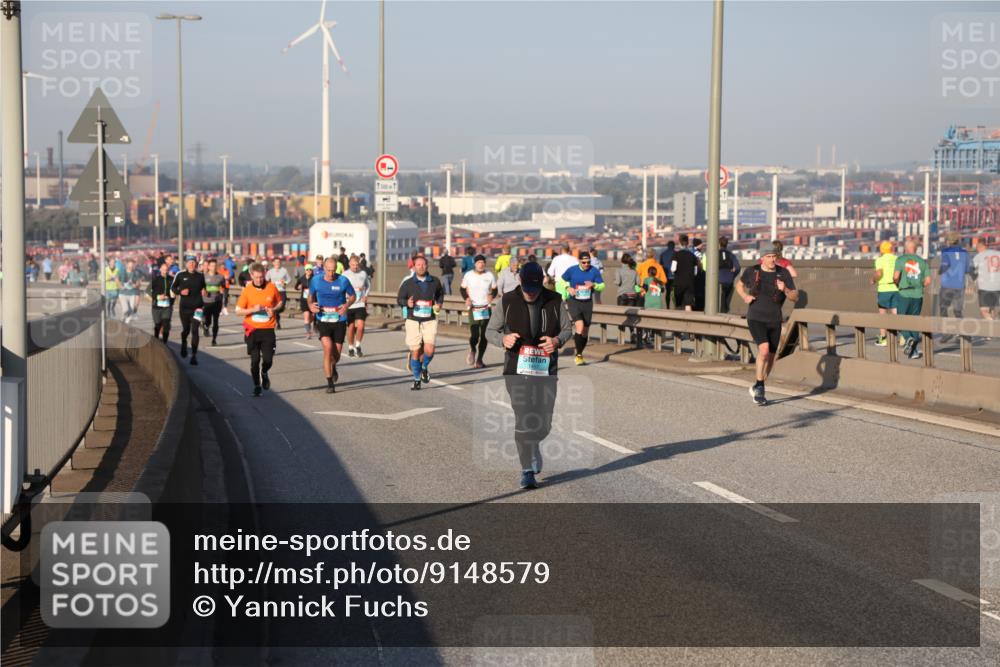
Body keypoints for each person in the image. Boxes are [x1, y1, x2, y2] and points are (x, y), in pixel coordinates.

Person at [485, 261, 573, 490]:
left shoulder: (554, 300)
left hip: (546, 371)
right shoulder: (507, 301)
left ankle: (533, 446)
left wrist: (556, 341)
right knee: (524, 420)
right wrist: (502, 340)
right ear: (520, 283)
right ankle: (527, 470)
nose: (531, 295)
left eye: (534, 290)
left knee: (543, 424)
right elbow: (490, 331)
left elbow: (566, 329)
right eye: (527, 290)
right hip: (516, 370)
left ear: (541, 283)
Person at [735, 244, 799, 405]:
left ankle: (758, 384)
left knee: (771, 358)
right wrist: (745, 297)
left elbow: (794, 297)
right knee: (763, 350)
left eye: (774, 256)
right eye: (768, 256)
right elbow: (739, 285)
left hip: (775, 319)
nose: (772, 259)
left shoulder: (782, 273)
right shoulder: (753, 271)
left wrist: (785, 289)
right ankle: (761, 389)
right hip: (756, 317)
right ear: (762, 258)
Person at [309, 257, 357, 393]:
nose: (331, 273)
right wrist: (310, 305)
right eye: (328, 270)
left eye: (333, 270)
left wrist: (347, 305)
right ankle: (330, 383)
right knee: (328, 348)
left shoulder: (343, 281)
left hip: (339, 320)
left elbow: (353, 296)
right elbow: (310, 296)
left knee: (336, 356)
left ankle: (333, 366)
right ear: (324, 268)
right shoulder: (316, 280)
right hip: (323, 319)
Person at [396, 255, 444, 390]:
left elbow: (440, 295)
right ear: (414, 266)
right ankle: (417, 380)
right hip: (413, 320)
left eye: (423, 264)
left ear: (427, 266)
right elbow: (399, 299)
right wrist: (407, 303)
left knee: (429, 350)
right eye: (418, 265)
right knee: (416, 352)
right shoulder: (408, 283)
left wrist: (439, 304)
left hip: (429, 319)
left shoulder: (435, 281)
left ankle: (423, 368)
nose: (421, 267)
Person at [236, 263, 283, 396]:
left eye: (261, 277)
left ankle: (264, 372)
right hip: (252, 330)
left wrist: (273, 309)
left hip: (268, 329)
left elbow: (280, 302)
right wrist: (253, 309)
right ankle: (257, 385)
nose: (259, 280)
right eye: (256, 277)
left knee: (268, 360)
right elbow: (238, 311)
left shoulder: (271, 287)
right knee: (254, 361)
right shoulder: (247, 289)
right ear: (251, 275)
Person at [561, 251, 605, 365]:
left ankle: (579, 353)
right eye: (584, 262)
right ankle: (578, 355)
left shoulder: (594, 271)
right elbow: (561, 280)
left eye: (588, 262)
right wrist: (567, 288)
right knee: (579, 325)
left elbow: (602, 285)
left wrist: (594, 285)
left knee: (585, 331)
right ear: (579, 261)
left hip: (587, 302)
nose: (586, 264)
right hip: (574, 301)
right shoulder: (572, 270)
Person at [893, 239, 931, 360]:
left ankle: (907, 337)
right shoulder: (923, 262)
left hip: (904, 293)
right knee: (914, 322)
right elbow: (928, 281)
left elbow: (895, 277)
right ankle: (914, 352)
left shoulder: (900, 260)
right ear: (916, 249)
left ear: (906, 248)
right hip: (918, 295)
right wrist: (920, 286)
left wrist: (897, 284)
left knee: (900, 320)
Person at [461, 254, 498, 368]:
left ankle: (479, 360)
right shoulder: (468, 275)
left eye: (482, 262)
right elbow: (462, 289)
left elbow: (494, 289)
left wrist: (492, 296)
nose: (481, 264)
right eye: (478, 263)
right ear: (475, 264)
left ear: (485, 264)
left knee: (485, 335)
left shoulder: (490, 275)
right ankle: (472, 349)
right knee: (475, 334)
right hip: (474, 308)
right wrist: (466, 298)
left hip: (486, 308)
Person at [171, 256, 207, 365]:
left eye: (193, 263)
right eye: (189, 263)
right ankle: (183, 343)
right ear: (186, 264)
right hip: (185, 308)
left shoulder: (200, 276)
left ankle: (194, 355)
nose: (191, 265)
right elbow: (173, 288)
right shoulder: (181, 275)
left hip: (197, 308)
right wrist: (180, 292)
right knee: (186, 330)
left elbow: (203, 287)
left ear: (196, 264)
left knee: (195, 331)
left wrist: (204, 290)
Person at [938, 233, 972, 341]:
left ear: (949, 241)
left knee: (943, 308)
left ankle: (947, 332)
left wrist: (940, 271)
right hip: (959, 285)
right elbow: (968, 269)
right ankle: (963, 332)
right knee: (958, 311)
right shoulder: (965, 253)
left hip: (947, 284)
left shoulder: (945, 251)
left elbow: (945, 264)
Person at [871, 240, 900, 346]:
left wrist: (873, 280)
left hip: (883, 289)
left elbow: (879, 273)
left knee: (882, 314)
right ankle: (901, 337)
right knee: (896, 313)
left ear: (881, 250)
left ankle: (883, 338)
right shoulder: (897, 259)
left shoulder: (880, 260)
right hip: (896, 288)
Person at [343, 255, 371, 357]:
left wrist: (366, 295)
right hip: (349, 305)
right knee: (350, 327)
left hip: (360, 304)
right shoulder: (345, 274)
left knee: (361, 325)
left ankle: (358, 345)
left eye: (356, 265)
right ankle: (350, 346)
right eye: (353, 265)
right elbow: (341, 287)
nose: (355, 267)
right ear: (349, 264)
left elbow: (368, 285)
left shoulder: (363, 273)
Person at [973, 240, 1000, 328]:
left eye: (977, 248)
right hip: (998, 285)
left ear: (980, 247)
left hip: (985, 286)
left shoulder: (979, 256)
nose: (977, 250)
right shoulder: (998, 253)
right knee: (992, 308)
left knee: (984, 310)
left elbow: (972, 269)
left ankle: (994, 326)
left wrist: (973, 280)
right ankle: (990, 332)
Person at [670, 234, 699, 311]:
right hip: (690, 282)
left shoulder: (676, 255)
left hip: (678, 283)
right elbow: (695, 272)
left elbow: (673, 269)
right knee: (688, 304)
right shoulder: (692, 256)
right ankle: (689, 321)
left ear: (679, 243)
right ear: (688, 243)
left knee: (679, 304)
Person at [201, 259, 226, 345]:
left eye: (215, 266)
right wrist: (203, 290)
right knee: (208, 321)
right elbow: (200, 287)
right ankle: (206, 326)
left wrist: (222, 290)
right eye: (212, 266)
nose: (213, 267)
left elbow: (223, 287)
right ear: (208, 267)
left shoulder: (220, 277)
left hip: (217, 301)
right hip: (206, 302)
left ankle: (214, 339)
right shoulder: (203, 276)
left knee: (216, 321)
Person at [149, 262, 174, 344]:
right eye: (163, 270)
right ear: (160, 270)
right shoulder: (155, 279)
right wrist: (158, 297)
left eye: (166, 270)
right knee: (157, 325)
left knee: (166, 324)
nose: (165, 271)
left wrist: (173, 295)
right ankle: (156, 340)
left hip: (167, 306)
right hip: (156, 307)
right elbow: (147, 291)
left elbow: (176, 290)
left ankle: (165, 342)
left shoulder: (171, 279)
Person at [717, 236, 741, 314]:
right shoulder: (731, 255)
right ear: (727, 244)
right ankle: (724, 312)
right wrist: (732, 275)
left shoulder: (715, 254)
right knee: (726, 300)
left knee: (720, 301)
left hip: (718, 280)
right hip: (729, 280)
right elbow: (737, 268)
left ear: (719, 244)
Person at [265, 257, 291, 329]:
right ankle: (277, 322)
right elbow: (266, 280)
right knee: (275, 306)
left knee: (281, 307)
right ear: (273, 263)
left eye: (279, 262)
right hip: (273, 291)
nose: (277, 263)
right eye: (276, 262)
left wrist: (285, 283)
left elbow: (289, 279)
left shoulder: (284, 270)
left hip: (282, 290)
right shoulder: (270, 271)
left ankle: (276, 317)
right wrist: (268, 285)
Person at [118, 259, 143, 323]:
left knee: (131, 309)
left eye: (132, 265)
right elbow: (117, 279)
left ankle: (127, 323)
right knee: (125, 310)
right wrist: (120, 285)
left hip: (132, 293)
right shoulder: (122, 271)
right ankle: (124, 316)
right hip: (123, 293)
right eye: (129, 265)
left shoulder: (135, 273)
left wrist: (136, 285)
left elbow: (138, 282)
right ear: (127, 265)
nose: (131, 267)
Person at [296, 265, 315, 339]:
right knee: (306, 317)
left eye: (310, 269)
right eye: (307, 269)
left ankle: (310, 325)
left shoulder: (314, 278)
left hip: (313, 300)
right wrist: (299, 287)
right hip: (304, 300)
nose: (309, 271)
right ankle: (308, 333)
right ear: (305, 270)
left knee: (312, 317)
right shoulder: (301, 278)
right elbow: (296, 286)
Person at [658, 241, 675, 308]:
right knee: (674, 292)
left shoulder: (663, 254)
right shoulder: (676, 253)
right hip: (674, 276)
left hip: (666, 275)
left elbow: (660, 265)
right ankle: (675, 305)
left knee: (667, 292)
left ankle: (667, 306)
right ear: (673, 246)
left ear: (667, 246)